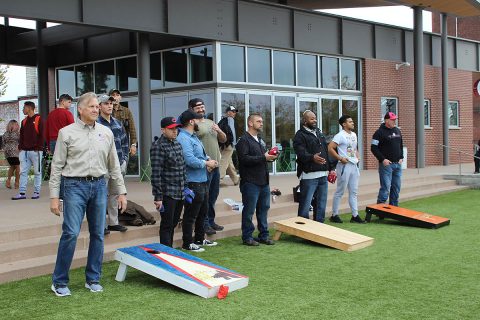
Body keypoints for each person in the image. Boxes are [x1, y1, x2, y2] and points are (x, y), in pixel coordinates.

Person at [49, 92, 127, 297]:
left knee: (98, 234)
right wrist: (54, 197)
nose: (95, 109)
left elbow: (114, 165)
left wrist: (121, 192)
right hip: (74, 186)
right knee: (71, 233)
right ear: (80, 109)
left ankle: (93, 279)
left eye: (96, 106)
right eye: (91, 106)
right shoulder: (66, 133)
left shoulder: (106, 132)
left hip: (100, 186)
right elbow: (56, 167)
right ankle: (59, 281)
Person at [176, 109, 218, 252]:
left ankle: (199, 239)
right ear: (191, 121)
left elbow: (201, 155)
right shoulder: (183, 138)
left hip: (202, 179)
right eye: (199, 119)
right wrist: (206, 164)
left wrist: (209, 160)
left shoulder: (193, 137)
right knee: (191, 214)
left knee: (202, 211)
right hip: (192, 181)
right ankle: (187, 243)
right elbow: (189, 160)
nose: (202, 121)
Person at [236, 113, 277, 246]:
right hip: (250, 182)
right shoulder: (243, 140)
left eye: (262, 121)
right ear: (250, 123)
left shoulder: (259, 140)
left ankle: (263, 235)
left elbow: (261, 158)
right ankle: (247, 237)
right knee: (249, 211)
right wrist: (264, 157)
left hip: (263, 181)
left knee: (263, 209)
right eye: (258, 121)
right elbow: (244, 159)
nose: (261, 123)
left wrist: (271, 156)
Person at [189, 98, 227, 236]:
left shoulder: (211, 122)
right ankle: (203, 224)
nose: (201, 109)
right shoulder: (193, 124)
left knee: (213, 196)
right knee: (204, 197)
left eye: (202, 106)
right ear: (192, 109)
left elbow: (223, 139)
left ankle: (211, 220)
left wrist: (219, 130)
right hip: (204, 166)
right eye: (197, 107)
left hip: (215, 165)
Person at [293, 110, 335, 223]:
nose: (314, 120)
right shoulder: (299, 135)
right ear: (305, 121)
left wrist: (331, 169)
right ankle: (302, 229)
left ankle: (319, 227)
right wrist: (312, 157)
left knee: (321, 204)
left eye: (315, 118)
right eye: (312, 119)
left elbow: (326, 151)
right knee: (305, 205)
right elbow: (300, 153)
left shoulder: (319, 132)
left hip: (323, 176)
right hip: (309, 176)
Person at [150, 116, 186, 247]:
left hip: (180, 192)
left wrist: (186, 188)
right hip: (167, 194)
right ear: (163, 130)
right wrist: (158, 197)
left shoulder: (177, 143)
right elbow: (156, 174)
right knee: (167, 225)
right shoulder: (158, 146)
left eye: (176, 128)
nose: (175, 131)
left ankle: (169, 250)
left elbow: (182, 168)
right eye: (171, 129)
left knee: (174, 223)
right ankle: (166, 253)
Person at [97, 94, 129, 233]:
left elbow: (124, 142)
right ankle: (101, 225)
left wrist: (125, 159)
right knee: (101, 195)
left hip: (118, 164)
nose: (109, 105)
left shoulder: (117, 123)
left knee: (115, 194)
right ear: (99, 106)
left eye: (111, 103)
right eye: (106, 103)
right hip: (103, 165)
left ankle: (113, 222)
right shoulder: (96, 124)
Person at [328, 115, 365, 223]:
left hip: (354, 166)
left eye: (352, 121)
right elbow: (330, 148)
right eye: (350, 121)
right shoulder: (340, 135)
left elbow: (354, 148)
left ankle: (355, 215)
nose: (352, 123)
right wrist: (340, 158)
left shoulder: (354, 134)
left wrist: (357, 156)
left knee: (354, 191)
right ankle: (334, 215)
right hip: (344, 165)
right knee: (340, 191)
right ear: (344, 124)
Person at [12, 101, 44, 200]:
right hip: (24, 151)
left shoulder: (39, 119)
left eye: (24, 108)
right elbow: (21, 136)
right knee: (23, 172)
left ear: (30, 108)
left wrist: (38, 148)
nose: (23, 110)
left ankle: (36, 192)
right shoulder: (24, 121)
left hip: (36, 151)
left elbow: (42, 135)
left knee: (37, 172)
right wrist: (20, 148)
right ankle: (22, 193)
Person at [371, 112, 404, 206]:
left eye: (395, 119)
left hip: (397, 164)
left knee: (396, 187)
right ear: (386, 120)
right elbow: (373, 147)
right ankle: (380, 210)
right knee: (385, 188)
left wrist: (401, 157)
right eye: (392, 119)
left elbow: (401, 145)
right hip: (386, 165)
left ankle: (394, 208)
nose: (394, 121)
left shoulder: (397, 130)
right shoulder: (379, 132)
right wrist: (382, 159)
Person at [110, 89, 137, 157]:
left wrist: (133, 144)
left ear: (120, 97)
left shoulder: (126, 111)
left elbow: (132, 129)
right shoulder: (106, 110)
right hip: (109, 144)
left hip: (123, 145)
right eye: (113, 95)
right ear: (109, 98)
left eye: (117, 95)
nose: (115, 97)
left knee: (123, 165)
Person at [218, 105, 240, 186]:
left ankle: (235, 179)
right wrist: (234, 143)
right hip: (228, 144)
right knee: (224, 161)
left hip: (222, 144)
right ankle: (218, 179)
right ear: (228, 112)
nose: (234, 113)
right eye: (233, 111)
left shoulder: (222, 121)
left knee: (229, 162)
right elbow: (232, 133)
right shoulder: (230, 120)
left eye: (235, 112)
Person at [2, 120, 20, 189]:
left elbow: (3, 143)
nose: (18, 126)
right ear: (14, 125)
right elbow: (21, 142)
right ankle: (17, 183)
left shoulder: (5, 134)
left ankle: (8, 181)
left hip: (7, 152)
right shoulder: (17, 134)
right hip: (14, 151)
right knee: (18, 167)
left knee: (12, 166)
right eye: (17, 125)